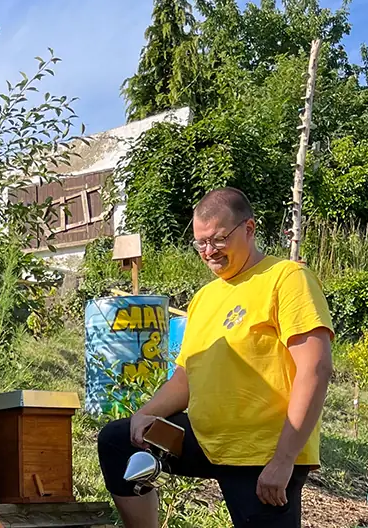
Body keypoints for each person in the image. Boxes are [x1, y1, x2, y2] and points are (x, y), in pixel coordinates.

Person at [97, 187, 334, 528]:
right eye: (200, 243)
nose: (209, 252)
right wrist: (146, 413)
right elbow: (186, 377)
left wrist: (283, 460)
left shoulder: (286, 278)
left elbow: (316, 368)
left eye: (219, 239)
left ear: (249, 229)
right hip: (206, 439)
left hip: (261, 453)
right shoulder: (204, 297)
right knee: (117, 440)